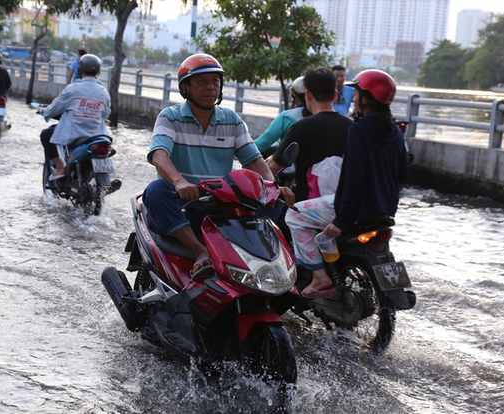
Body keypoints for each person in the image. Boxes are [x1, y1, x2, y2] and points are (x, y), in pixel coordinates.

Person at [142, 53, 294, 273]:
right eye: (202, 82)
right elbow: (158, 155)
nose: (210, 87)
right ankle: (199, 250)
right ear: (185, 88)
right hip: (181, 202)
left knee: (274, 201)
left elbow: (254, 161)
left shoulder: (231, 120)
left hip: (220, 203)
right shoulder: (170, 117)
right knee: (155, 190)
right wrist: (179, 182)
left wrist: (273, 187)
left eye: (215, 81)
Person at [285, 69, 409, 299]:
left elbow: (353, 179)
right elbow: (403, 175)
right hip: (385, 210)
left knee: (294, 215)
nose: (352, 98)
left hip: (354, 210)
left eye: (357, 93)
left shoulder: (359, 129)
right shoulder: (395, 132)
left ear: (367, 98)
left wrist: (340, 220)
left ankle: (320, 278)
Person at [267, 67, 352, 202]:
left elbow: (272, 167)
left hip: (304, 207)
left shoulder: (301, 127)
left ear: (307, 95)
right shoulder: (351, 127)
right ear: (335, 95)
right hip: (341, 207)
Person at [39, 54, 110, 180]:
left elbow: (55, 107)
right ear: (98, 72)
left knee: (45, 134)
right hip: (97, 135)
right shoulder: (103, 92)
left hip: (74, 134)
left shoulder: (73, 89)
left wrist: (45, 112)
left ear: (80, 70)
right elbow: (105, 114)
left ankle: (60, 168)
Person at [253, 76, 311, 155]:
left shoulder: (286, 117)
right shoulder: (324, 117)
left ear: (294, 95)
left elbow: (262, 143)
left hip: (288, 165)